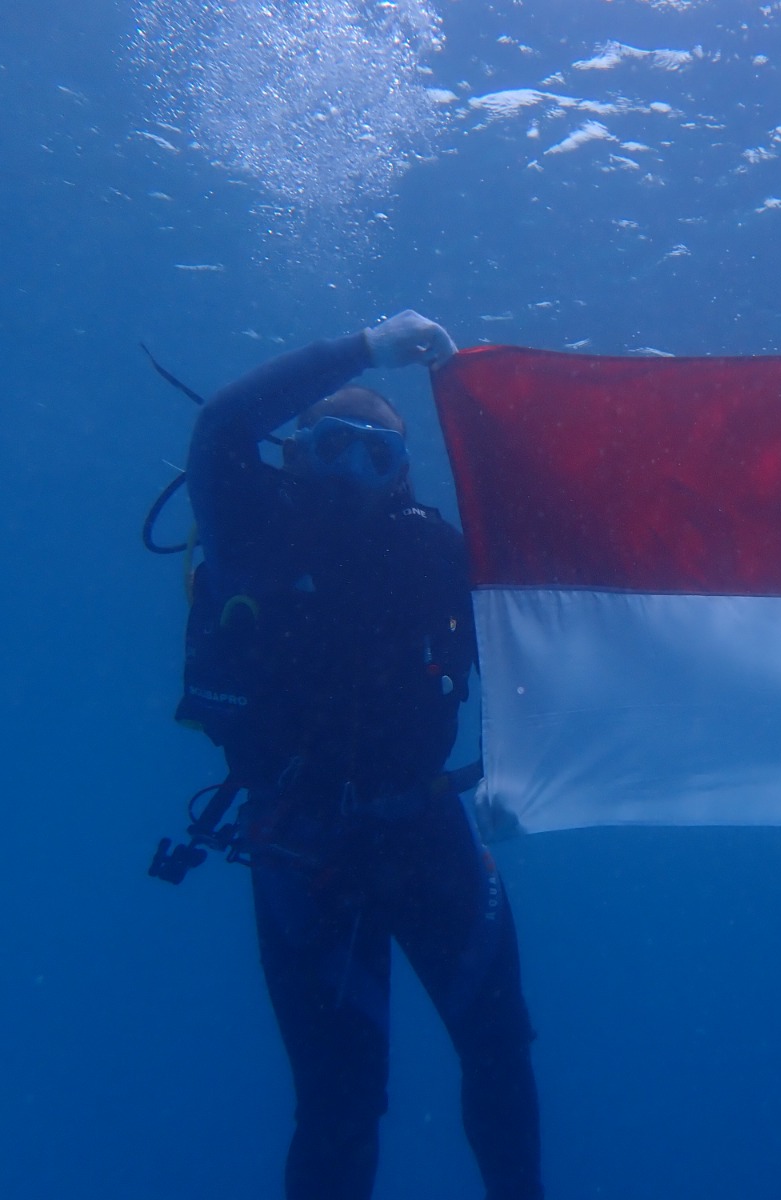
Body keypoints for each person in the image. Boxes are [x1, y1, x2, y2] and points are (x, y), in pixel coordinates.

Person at [179, 311, 542, 1200]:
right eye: (333, 447)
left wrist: (526, 770)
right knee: (339, 1101)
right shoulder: (249, 524)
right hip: (302, 850)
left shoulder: (434, 553)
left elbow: (534, 634)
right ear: (296, 451)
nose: (352, 472)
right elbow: (222, 427)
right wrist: (365, 350)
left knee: (501, 1054)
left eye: (376, 457)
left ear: (403, 475)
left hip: (427, 832)